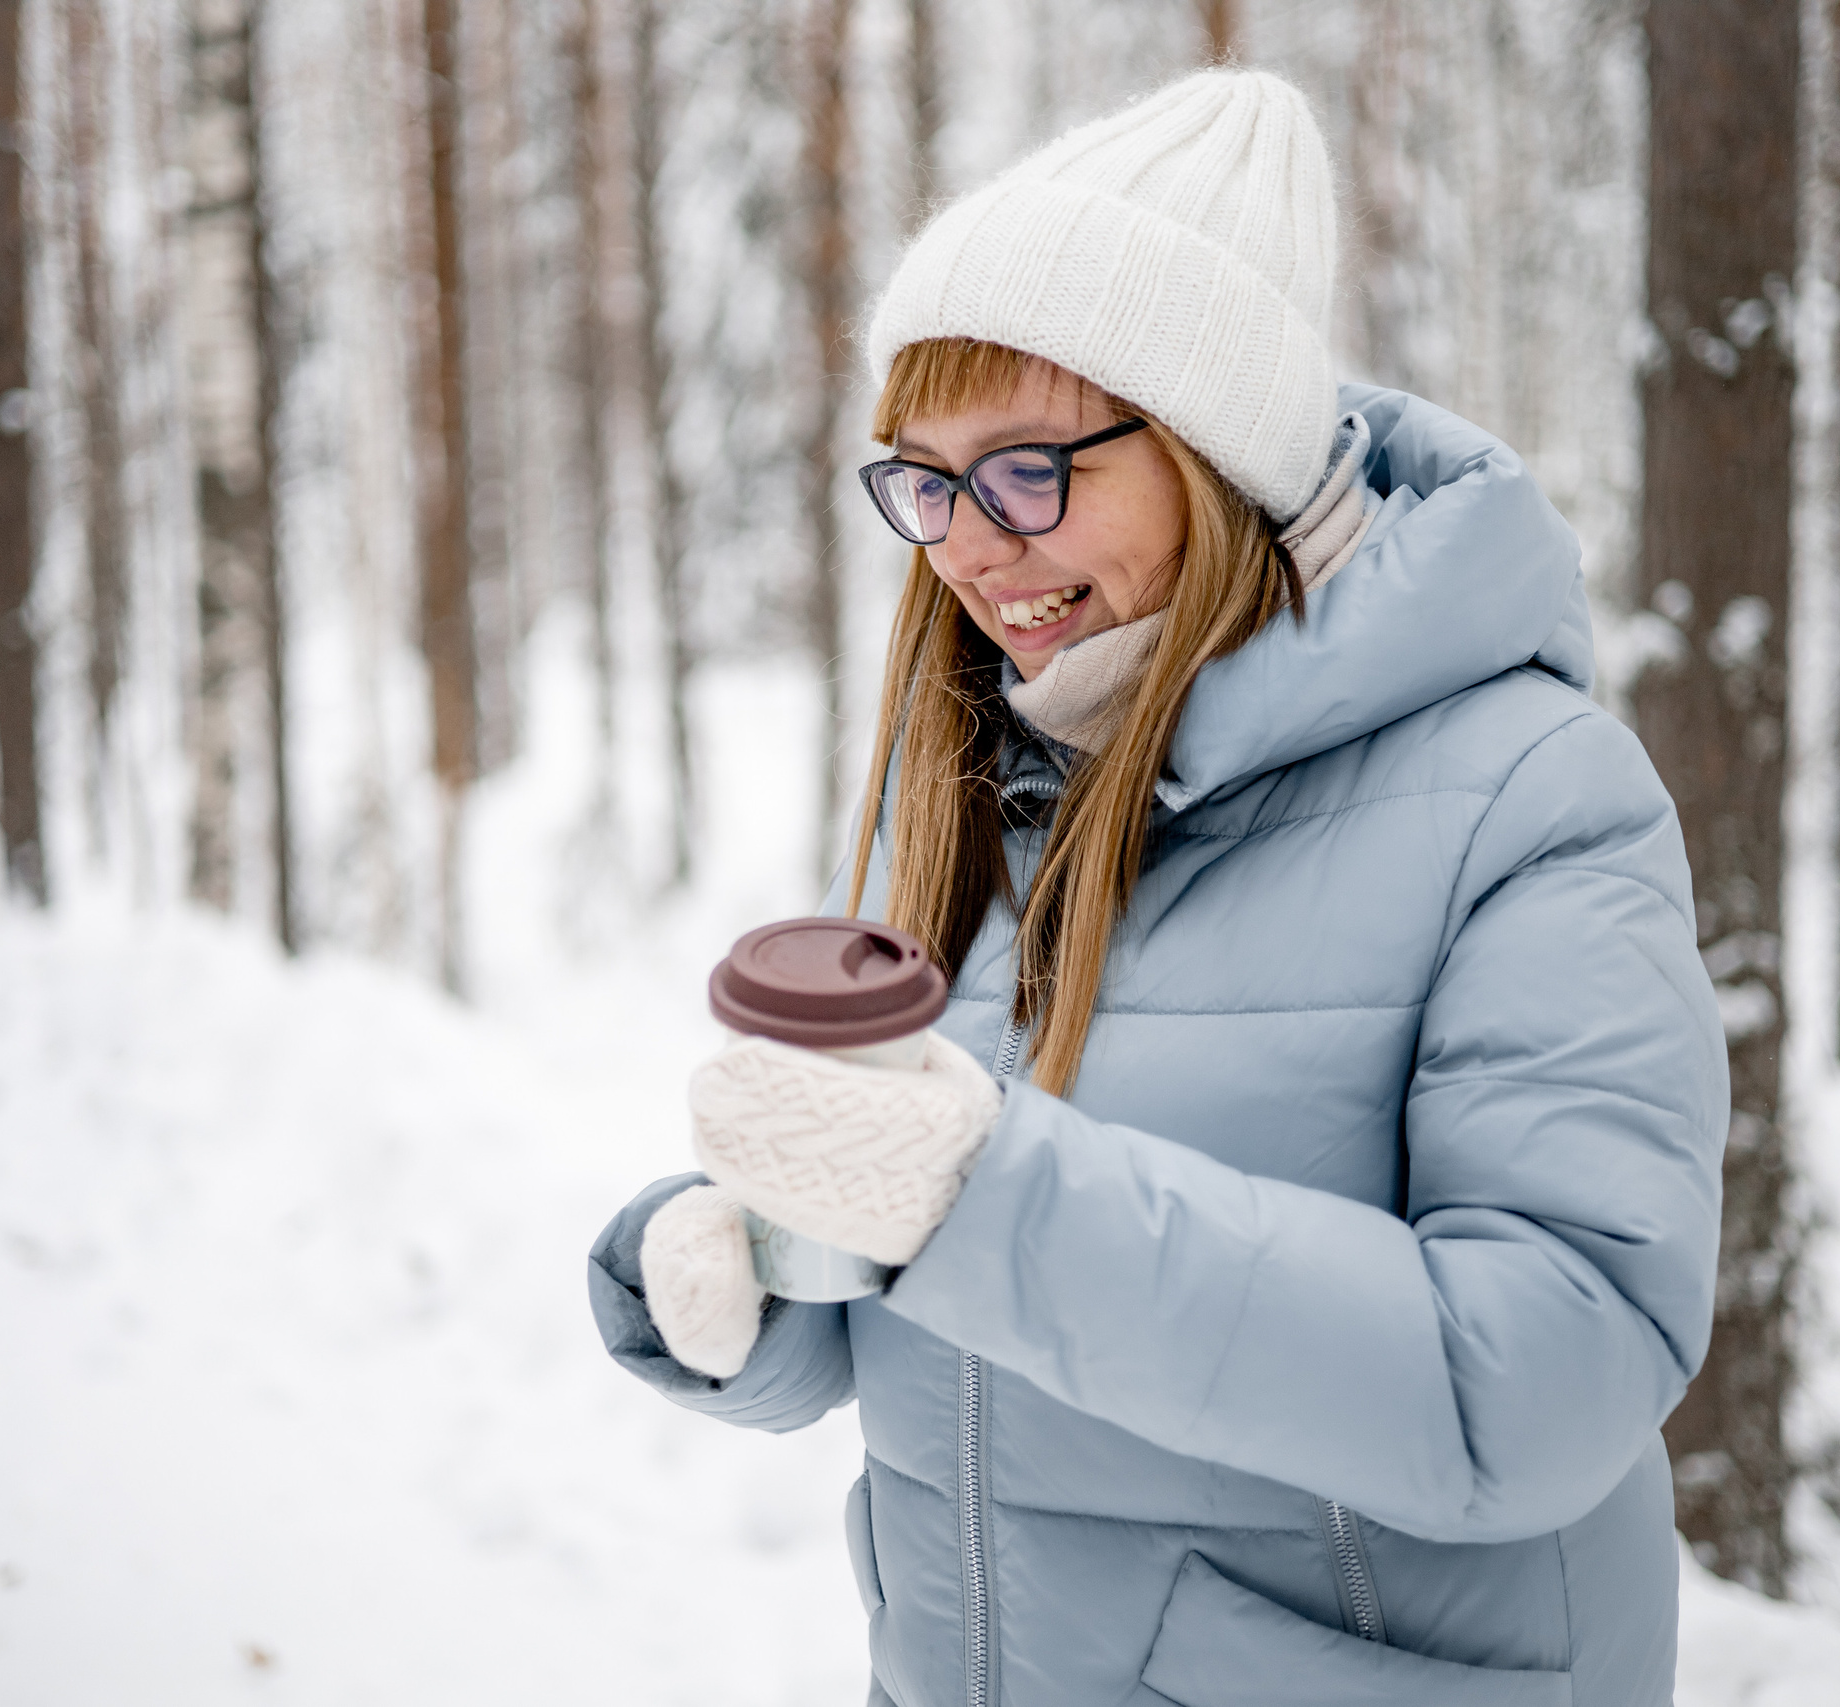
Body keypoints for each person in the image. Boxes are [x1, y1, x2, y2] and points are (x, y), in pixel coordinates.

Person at [588, 67, 1726, 1707]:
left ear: (1216, 453)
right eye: (923, 480)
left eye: (1031, 468)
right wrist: (768, 1281)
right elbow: (982, 1310)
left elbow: (1542, 1379)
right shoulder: (1010, 779)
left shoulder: (1529, 797)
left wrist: (977, 1195)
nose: (969, 550)